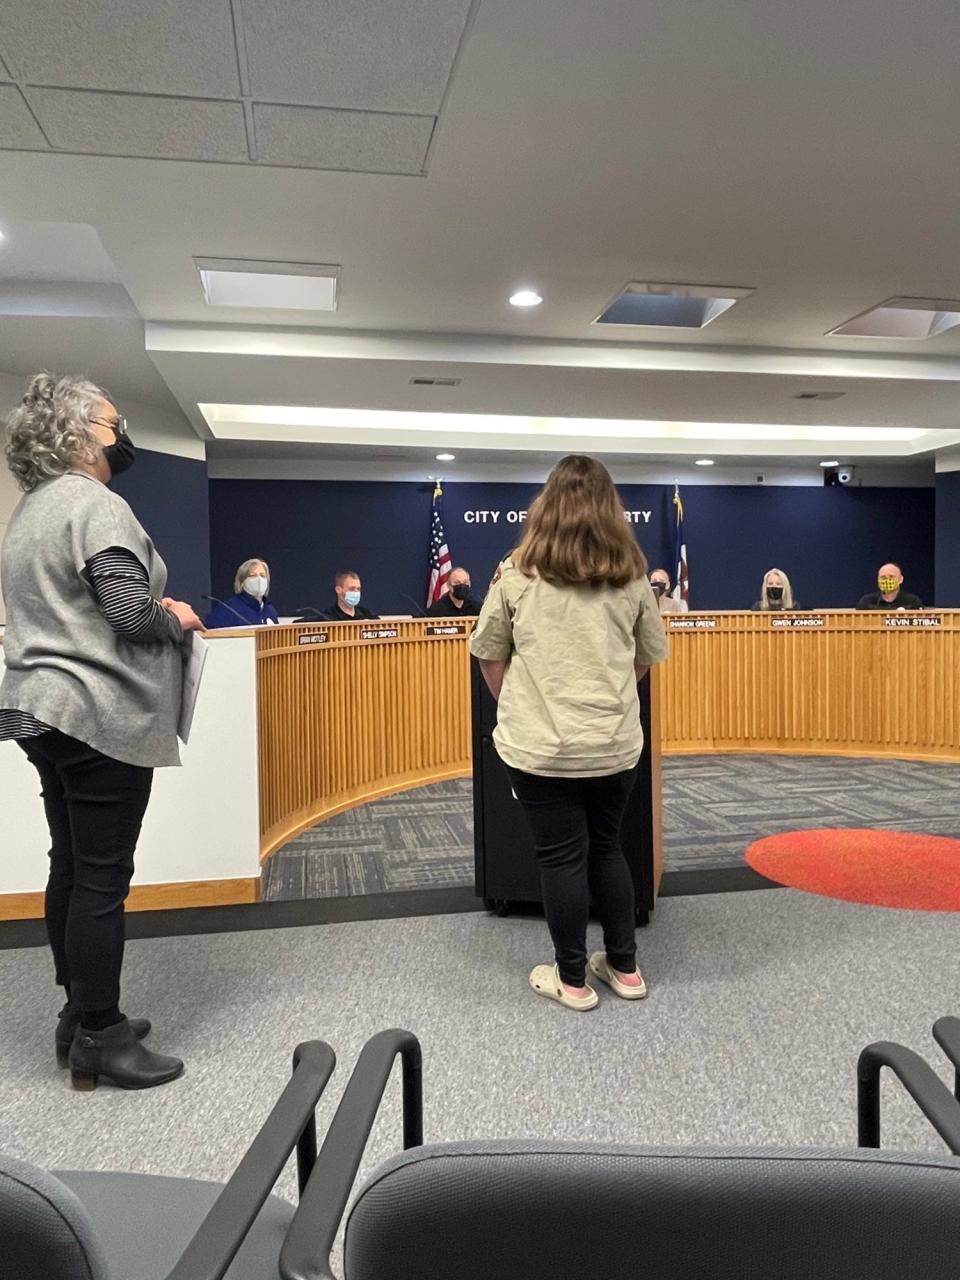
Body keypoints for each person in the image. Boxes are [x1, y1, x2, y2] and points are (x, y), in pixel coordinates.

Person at [0, 372, 201, 1091]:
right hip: (93, 712)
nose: (123, 436)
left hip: (37, 709)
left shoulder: (29, 512)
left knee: (72, 864)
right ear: (81, 436)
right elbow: (127, 612)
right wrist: (173, 617)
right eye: (113, 424)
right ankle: (100, 1035)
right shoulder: (95, 505)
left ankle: (76, 1014)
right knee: (103, 880)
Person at [470, 455, 668, 1012]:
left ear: (545, 506)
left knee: (561, 858)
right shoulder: (632, 576)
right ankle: (625, 969)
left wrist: (524, 705)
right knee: (607, 848)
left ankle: (574, 981)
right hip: (613, 743)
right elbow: (647, 658)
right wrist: (606, 700)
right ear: (611, 510)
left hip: (539, 747)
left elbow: (489, 655)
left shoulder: (515, 573)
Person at [205, 558, 280, 628]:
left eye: (262, 575)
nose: (259, 579)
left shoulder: (270, 610)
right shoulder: (228, 609)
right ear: (242, 583)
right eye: (253, 575)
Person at [856, 563, 922, 610]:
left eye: (891, 576)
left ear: (901, 579)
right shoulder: (867, 602)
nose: (887, 580)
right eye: (883, 577)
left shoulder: (913, 601)